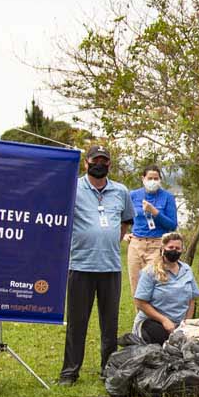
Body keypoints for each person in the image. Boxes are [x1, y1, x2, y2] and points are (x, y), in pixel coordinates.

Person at [61, 144, 133, 382]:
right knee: (76, 323)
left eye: (104, 160)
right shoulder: (73, 188)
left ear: (109, 164)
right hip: (80, 265)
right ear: (86, 163)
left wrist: (109, 238)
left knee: (109, 324)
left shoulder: (121, 191)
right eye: (95, 160)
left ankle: (108, 369)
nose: (99, 164)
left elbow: (126, 222)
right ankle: (70, 372)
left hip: (110, 267)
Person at [132, 232, 199, 342]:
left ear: (182, 250)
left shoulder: (187, 270)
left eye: (177, 248)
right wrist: (164, 320)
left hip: (179, 324)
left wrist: (186, 323)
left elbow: (192, 299)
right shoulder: (150, 271)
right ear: (163, 248)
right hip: (154, 322)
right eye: (171, 247)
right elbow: (140, 302)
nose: (174, 250)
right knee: (165, 340)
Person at [125, 165, 179, 295]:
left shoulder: (167, 197)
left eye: (156, 178)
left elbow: (172, 225)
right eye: (150, 178)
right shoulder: (133, 195)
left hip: (157, 244)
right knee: (136, 287)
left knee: (156, 285)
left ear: (160, 180)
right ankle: (140, 315)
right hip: (136, 244)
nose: (153, 181)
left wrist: (155, 212)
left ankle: (156, 315)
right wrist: (124, 234)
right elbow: (122, 216)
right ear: (143, 178)